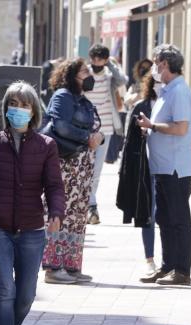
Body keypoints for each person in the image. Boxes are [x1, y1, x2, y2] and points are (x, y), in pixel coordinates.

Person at [0, 82, 65, 325]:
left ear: (34, 111)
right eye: (13, 103)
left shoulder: (46, 145)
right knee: (5, 290)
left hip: (31, 229)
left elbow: (54, 185)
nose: (18, 109)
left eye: (24, 104)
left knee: (26, 295)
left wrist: (56, 211)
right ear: (5, 109)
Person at [41, 58, 104, 284]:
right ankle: (53, 267)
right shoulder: (63, 97)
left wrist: (99, 136)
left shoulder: (84, 101)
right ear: (72, 75)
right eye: (85, 71)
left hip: (82, 170)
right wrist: (88, 138)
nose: (89, 75)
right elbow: (60, 126)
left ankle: (71, 265)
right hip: (65, 165)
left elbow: (97, 127)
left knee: (77, 217)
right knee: (60, 214)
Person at [136, 44, 191, 286]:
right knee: (164, 218)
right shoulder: (167, 90)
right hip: (161, 167)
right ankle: (168, 265)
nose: (154, 68)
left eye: (156, 63)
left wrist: (152, 127)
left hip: (174, 168)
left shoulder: (180, 91)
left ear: (165, 64)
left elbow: (181, 128)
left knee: (178, 219)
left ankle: (181, 270)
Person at [117, 72, 158, 276]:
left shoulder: (176, 104)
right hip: (146, 169)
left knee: (165, 216)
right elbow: (128, 142)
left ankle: (171, 261)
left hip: (171, 169)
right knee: (147, 214)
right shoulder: (141, 107)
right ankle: (149, 258)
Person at [83, 44, 127, 225]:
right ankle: (90, 205)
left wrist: (110, 65)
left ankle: (91, 206)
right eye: (94, 58)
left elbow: (122, 80)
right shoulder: (84, 74)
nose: (96, 62)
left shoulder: (109, 77)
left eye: (100, 59)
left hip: (105, 129)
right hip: (85, 129)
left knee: (97, 171)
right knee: (85, 167)